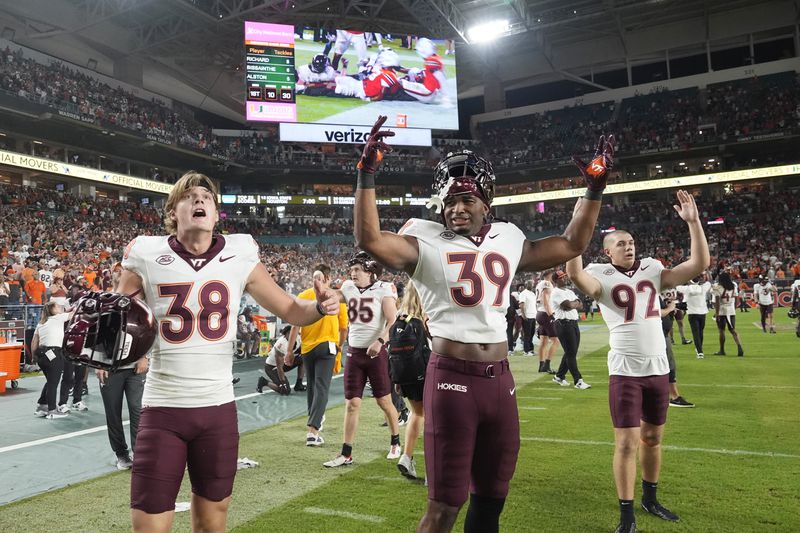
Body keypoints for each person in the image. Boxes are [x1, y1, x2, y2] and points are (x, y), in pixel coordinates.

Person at [353, 115, 614, 533]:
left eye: (467, 200)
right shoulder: (424, 239)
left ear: (486, 202)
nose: (457, 208)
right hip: (451, 380)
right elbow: (370, 240)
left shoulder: (508, 237)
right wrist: (366, 175)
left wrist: (594, 189)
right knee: (444, 507)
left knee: (493, 499)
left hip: (500, 381)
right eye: (450, 201)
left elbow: (571, 244)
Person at [116, 171, 341, 533]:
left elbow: (290, 309)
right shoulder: (145, 252)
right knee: (149, 525)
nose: (200, 200)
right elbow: (119, 315)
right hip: (163, 408)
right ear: (173, 211)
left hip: (217, 409)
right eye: (189, 196)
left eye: (206, 196)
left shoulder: (240, 252)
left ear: (217, 212)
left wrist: (320, 305)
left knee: (212, 523)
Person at [566, 189, 710, 533]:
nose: (629, 246)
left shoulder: (653, 269)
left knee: (653, 439)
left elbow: (698, 265)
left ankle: (650, 497)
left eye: (631, 242)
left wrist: (694, 223)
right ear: (607, 250)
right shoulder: (600, 273)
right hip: (625, 371)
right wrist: (577, 223)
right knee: (626, 442)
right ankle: (627, 513)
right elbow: (575, 275)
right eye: (621, 243)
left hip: (658, 369)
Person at [323, 251, 401, 467]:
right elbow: (332, 296)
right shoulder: (348, 287)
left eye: (358, 269)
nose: (353, 273)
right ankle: (346, 453)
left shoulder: (383, 289)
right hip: (355, 353)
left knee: (383, 401)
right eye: (352, 269)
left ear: (371, 271)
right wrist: (321, 287)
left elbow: (393, 321)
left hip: (376, 353)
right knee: (352, 404)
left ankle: (395, 442)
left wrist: (380, 341)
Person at [287, 265, 349, 447]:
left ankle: (315, 421)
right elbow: (344, 328)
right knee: (322, 387)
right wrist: (339, 346)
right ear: (328, 278)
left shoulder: (303, 296)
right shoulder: (336, 297)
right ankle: (313, 430)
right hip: (327, 345)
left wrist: (290, 351)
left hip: (307, 348)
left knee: (312, 387)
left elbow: (294, 326)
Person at [96, 262, 149, 470]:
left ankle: (139, 451)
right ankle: (121, 454)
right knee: (113, 412)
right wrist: (100, 363)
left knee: (138, 410)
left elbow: (148, 333)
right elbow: (97, 335)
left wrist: (145, 357)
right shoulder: (106, 304)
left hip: (135, 367)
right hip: (110, 367)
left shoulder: (142, 306)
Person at [389, 281, 430, 480]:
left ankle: (406, 456)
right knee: (433, 417)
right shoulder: (427, 316)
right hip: (427, 372)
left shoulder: (400, 316)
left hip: (405, 375)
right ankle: (434, 467)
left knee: (417, 412)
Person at [549, 270, 590, 389]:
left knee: (570, 352)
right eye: (562, 277)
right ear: (556, 281)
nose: (565, 278)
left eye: (565, 276)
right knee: (571, 353)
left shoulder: (569, 291)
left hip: (573, 323)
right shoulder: (556, 292)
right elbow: (568, 306)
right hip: (564, 324)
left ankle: (559, 376)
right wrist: (574, 303)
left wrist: (574, 303)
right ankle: (578, 380)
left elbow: (580, 305)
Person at [31, 301, 72, 419]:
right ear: (52, 310)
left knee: (50, 381)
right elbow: (74, 314)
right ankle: (52, 410)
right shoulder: (58, 318)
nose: (60, 307)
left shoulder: (41, 323)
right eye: (58, 306)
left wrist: (34, 358)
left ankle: (42, 405)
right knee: (53, 384)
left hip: (42, 355)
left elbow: (34, 341)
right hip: (54, 354)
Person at [660, 290, 695, 408]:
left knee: (668, 366)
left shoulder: (657, 294)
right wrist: (670, 308)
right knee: (669, 366)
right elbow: (654, 313)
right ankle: (674, 397)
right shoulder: (650, 294)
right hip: (657, 336)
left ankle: (672, 396)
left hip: (662, 334)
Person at [257, 324, 302, 395]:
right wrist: (283, 382)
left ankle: (299, 383)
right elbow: (279, 367)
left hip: (285, 363)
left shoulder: (298, 338)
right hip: (272, 367)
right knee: (286, 391)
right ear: (286, 334)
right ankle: (264, 382)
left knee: (303, 359)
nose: (294, 334)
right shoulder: (281, 345)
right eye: (291, 333)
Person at [676, 274, 711, 358]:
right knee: (700, 332)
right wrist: (707, 273)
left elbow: (676, 286)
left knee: (695, 333)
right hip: (702, 313)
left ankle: (700, 352)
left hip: (692, 313)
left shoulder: (687, 289)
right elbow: (709, 282)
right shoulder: (702, 288)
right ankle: (700, 348)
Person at [712, 272, 744, 356]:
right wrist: (734, 308)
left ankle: (722, 350)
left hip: (722, 311)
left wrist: (717, 313)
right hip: (731, 310)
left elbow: (717, 302)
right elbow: (737, 298)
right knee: (732, 329)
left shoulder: (718, 288)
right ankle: (739, 346)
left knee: (722, 331)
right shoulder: (733, 286)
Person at [535, 271, 559, 372]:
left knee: (543, 341)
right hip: (545, 314)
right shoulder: (547, 283)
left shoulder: (539, 283)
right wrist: (551, 315)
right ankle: (547, 365)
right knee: (556, 341)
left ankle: (541, 365)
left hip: (540, 313)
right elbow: (545, 298)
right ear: (549, 275)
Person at [517, 280, 537, 356]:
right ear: (526, 285)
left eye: (532, 284)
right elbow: (522, 305)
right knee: (527, 334)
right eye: (530, 284)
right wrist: (523, 315)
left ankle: (531, 350)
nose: (532, 285)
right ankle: (526, 351)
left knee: (531, 334)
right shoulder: (523, 293)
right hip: (527, 316)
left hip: (533, 315)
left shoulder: (532, 294)